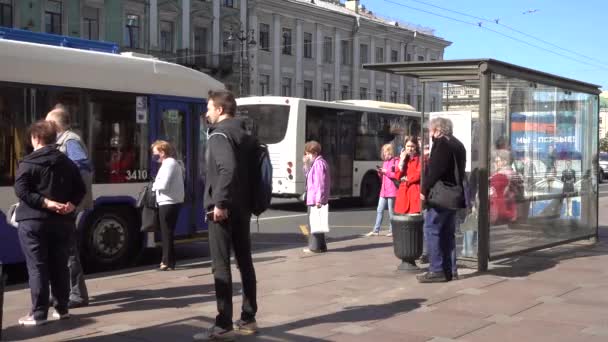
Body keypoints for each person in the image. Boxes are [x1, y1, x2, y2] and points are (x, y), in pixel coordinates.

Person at [194, 90, 258, 341]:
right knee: (245, 262)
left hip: (223, 209)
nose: (207, 113)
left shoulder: (219, 134)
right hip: (243, 207)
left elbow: (226, 168)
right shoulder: (245, 134)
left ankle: (223, 324)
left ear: (220, 110)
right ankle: (249, 318)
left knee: (221, 265)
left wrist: (219, 202)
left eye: (209, 108)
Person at [14, 120, 86, 326]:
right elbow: (81, 189)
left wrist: (45, 202)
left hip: (33, 222)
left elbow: (22, 191)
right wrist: (70, 205)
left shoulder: (28, 163)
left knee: (37, 267)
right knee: (60, 265)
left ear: (35, 138)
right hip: (62, 222)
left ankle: (38, 314)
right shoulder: (67, 163)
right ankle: (62, 309)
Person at [46, 105, 92, 309]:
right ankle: (65, 292)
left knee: (69, 251)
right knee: (63, 250)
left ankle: (77, 295)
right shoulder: (62, 141)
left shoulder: (70, 140)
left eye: (48, 122)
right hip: (65, 205)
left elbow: (81, 168)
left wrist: (72, 202)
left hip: (68, 207)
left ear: (55, 124)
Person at [418, 117, 466, 283]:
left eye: (431, 131)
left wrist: (424, 189)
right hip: (454, 196)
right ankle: (450, 270)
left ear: (437, 130)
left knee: (432, 229)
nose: (430, 134)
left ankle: (436, 269)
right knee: (448, 233)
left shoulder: (442, 144)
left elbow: (435, 170)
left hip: (441, 196)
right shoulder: (458, 144)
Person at [151, 140, 184, 270]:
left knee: (167, 233)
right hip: (168, 201)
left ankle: (167, 262)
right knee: (167, 232)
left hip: (168, 201)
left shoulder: (169, 163)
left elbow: (163, 184)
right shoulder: (169, 163)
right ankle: (169, 260)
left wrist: (153, 186)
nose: (154, 156)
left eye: (155, 153)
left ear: (162, 152)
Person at [302, 140, 331, 252]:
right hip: (316, 198)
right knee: (319, 223)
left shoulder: (318, 164)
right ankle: (321, 246)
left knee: (314, 224)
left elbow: (320, 183)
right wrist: (306, 164)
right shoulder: (318, 163)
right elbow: (307, 175)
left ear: (314, 153)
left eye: (308, 153)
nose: (307, 156)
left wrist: (318, 200)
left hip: (315, 199)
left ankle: (314, 247)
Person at [365, 144, 399, 237]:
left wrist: (385, 172)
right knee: (379, 209)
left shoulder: (395, 161)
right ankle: (376, 230)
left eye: (387, 152)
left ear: (391, 152)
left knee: (391, 211)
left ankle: (392, 230)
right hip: (383, 190)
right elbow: (383, 177)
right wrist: (380, 173)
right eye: (384, 152)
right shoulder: (385, 162)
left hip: (392, 190)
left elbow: (396, 175)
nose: (385, 154)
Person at [489, 150, 518, 224]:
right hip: (509, 210)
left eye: (497, 161)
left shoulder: (500, 176)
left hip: (500, 212)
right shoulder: (514, 174)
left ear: (504, 162)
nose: (496, 163)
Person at [394, 136, 421, 215]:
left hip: (414, 192)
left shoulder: (419, 159)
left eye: (412, 146)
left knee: (414, 218)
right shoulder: (402, 159)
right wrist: (401, 161)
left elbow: (419, 174)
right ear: (404, 147)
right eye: (408, 146)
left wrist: (408, 179)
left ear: (416, 146)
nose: (410, 148)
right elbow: (397, 176)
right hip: (403, 193)